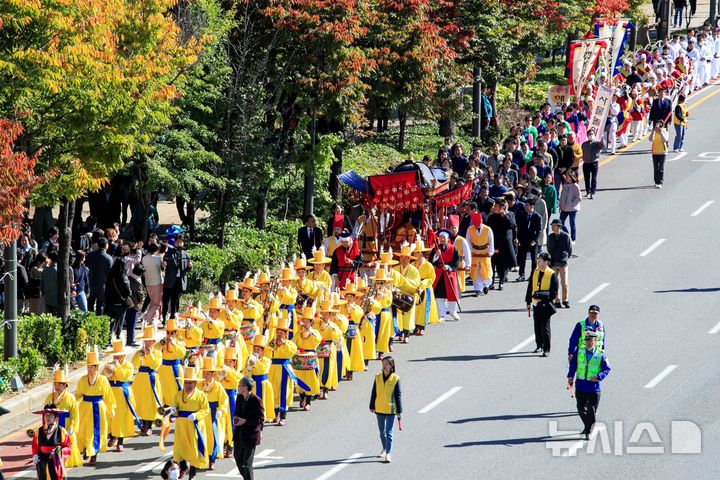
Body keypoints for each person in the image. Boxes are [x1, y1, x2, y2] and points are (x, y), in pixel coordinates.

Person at [567, 331, 611, 439]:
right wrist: (570, 376)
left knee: (591, 410)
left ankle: (589, 431)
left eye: (591, 340)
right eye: (587, 340)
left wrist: (598, 376)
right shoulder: (580, 351)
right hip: (581, 386)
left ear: (595, 341)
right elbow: (573, 365)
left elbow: (607, 369)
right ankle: (587, 426)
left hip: (593, 388)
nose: (588, 343)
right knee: (581, 408)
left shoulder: (600, 354)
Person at [75, 350, 114, 465]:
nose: (90, 370)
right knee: (84, 429)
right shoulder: (82, 380)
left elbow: (108, 396)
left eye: (92, 367)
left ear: (97, 368)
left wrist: (111, 409)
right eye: (88, 367)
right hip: (85, 407)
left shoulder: (103, 380)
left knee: (96, 431)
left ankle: (94, 454)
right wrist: (74, 404)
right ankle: (87, 448)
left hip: (98, 408)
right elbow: (78, 395)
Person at [172, 367, 210, 480]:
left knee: (194, 449)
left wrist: (196, 415)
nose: (188, 385)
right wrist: (174, 410)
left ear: (195, 383)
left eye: (191, 383)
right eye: (186, 382)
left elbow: (206, 410)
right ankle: (183, 467)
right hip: (181, 426)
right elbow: (175, 407)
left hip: (194, 425)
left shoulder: (201, 395)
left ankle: (192, 473)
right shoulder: (178, 394)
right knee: (180, 448)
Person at [43, 367, 82, 468]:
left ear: (65, 385)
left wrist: (72, 428)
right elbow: (45, 413)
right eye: (55, 384)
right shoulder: (49, 397)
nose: (57, 386)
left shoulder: (70, 398)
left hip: (66, 424)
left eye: (60, 384)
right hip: (53, 425)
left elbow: (75, 415)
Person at [106, 340, 141, 453]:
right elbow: (104, 376)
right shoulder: (109, 364)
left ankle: (120, 441)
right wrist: (108, 371)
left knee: (121, 417)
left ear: (123, 355)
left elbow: (123, 377)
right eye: (115, 355)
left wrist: (116, 367)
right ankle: (112, 435)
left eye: (119, 355)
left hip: (122, 392)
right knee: (110, 415)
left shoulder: (129, 365)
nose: (116, 357)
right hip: (111, 392)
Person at [524, 253, 559, 357]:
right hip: (536, 304)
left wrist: (540, 295)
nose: (538, 261)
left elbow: (553, 293)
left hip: (545, 305)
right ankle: (539, 345)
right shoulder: (535, 271)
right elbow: (530, 287)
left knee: (545, 327)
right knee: (537, 326)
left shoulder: (552, 274)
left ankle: (546, 348)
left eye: (539, 260)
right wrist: (528, 301)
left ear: (545, 262)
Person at [369, 356, 402, 464]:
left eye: (386, 364)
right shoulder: (378, 377)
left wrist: (399, 409)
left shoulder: (395, 378)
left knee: (389, 432)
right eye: (383, 363)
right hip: (379, 408)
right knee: (381, 432)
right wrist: (372, 405)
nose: (384, 366)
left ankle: (388, 453)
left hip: (390, 409)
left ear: (391, 366)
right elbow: (374, 392)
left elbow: (398, 395)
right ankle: (384, 448)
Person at [132, 325, 163, 436]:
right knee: (141, 401)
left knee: (150, 402)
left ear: (154, 342)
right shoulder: (140, 352)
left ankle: (148, 425)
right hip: (141, 378)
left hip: (151, 378)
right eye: (146, 341)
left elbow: (155, 365)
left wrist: (149, 355)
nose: (147, 343)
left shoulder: (158, 353)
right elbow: (134, 365)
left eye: (149, 341)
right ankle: (143, 423)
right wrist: (138, 355)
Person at [233, 377, 264, 480]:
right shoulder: (239, 397)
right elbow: (237, 413)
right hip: (239, 434)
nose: (237, 387)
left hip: (250, 436)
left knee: (247, 464)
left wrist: (245, 421)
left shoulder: (256, 400)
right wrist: (236, 418)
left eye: (239, 385)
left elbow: (260, 419)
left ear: (245, 387)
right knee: (238, 459)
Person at [31, 404, 71, 480]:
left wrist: (59, 452)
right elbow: (35, 445)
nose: (48, 417)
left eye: (50, 415)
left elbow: (68, 446)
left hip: (55, 460)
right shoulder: (38, 431)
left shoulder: (61, 431)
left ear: (55, 417)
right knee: (42, 477)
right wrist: (35, 454)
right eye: (46, 415)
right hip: (42, 460)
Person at [430, 230, 460, 322]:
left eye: (444, 238)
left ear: (448, 239)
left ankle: (453, 311)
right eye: (441, 238)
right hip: (439, 274)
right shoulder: (435, 249)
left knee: (453, 294)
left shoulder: (453, 248)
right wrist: (436, 255)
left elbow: (456, 261)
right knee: (440, 296)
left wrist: (449, 267)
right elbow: (431, 261)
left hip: (449, 273)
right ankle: (441, 314)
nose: (442, 239)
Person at [162, 234, 193, 321]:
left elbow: (188, 270)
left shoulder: (186, 255)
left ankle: (173, 316)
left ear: (183, 243)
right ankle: (164, 318)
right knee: (166, 300)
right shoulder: (168, 254)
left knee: (175, 300)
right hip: (169, 280)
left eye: (181, 242)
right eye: (177, 242)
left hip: (179, 280)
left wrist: (190, 266)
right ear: (174, 242)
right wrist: (163, 265)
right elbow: (163, 267)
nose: (179, 244)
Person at [547, 219, 572, 308]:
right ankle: (557, 300)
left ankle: (565, 300)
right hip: (553, 262)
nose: (552, 227)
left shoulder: (565, 236)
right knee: (555, 283)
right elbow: (549, 249)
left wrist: (565, 257)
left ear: (559, 226)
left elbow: (569, 249)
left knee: (564, 283)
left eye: (554, 225)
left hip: (563, 263)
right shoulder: (550, 237)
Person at [105, 257, 131, 341]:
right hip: (121, 303)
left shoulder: (110, 275)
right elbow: (128, 292)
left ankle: (108, 340)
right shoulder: (123, 277)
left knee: (111, 322)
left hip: (110, 302)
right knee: (119, 322)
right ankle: (118, 339)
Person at [515, 198, 541, 282]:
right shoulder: (522, 215)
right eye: (525, 205)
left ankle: (533, 275)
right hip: (523, 240)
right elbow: (518, 228)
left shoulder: (537, 217)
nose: (525, 207)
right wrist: (518, 239)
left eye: (527, 205)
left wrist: (535, 240)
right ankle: (521, 274)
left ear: (532, 206)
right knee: (522, 258)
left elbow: (538, 230)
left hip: (532, 241)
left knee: (534, 259)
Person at [86, 237, 113, 315]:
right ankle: (98, 322)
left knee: (90, 305)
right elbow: (109, 274)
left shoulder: (90, 255)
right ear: (106, 245)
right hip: (103, 285)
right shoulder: (108, 258)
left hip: (91, 283)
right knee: (100, 306)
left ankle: (89, 321)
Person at [142, 242, 165, 326]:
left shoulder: (144, 258)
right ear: (157, 249)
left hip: (148, 282)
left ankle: (152, 318)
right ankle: (146, 318)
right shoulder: (158, 258)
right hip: (157, 283)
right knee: (157, 303)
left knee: (153, 301)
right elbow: (162, 269)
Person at [125, 263, 146, 346]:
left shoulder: (128, 278)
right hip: (135, 305)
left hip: (128, 304)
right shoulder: (137, 281)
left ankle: (129, 339)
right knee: (133, 323)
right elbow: (141, 295)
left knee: (128, 323)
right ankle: (131, 340)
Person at [559, 171, 581, 243]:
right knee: (560, 222)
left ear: (572, 177)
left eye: (568, 176)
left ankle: (573, 239)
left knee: (572, 223)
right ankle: (567, 234)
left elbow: (578, 198)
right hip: (564, 208)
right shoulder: (565, 185)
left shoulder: (575, 186)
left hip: (572, 208)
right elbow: (562, 197)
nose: (566, 178)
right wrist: (560, 205)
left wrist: (572, 204)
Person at [649, 121, 669, 189]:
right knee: (655, 168)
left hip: (662, 152)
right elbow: (650, 139)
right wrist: (653, 131)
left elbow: (665, 140)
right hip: (654, 152)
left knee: (661, 168)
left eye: (659, 125)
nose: (658, 127)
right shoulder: (654, 132)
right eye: (657, 125)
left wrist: (661, 132)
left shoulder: (665, 131)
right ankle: (656, 182)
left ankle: (660, 182)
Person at [40, 251, 59, 316]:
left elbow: (41, 286)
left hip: (47, 298)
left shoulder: (45, 270)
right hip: (57, 299)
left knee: (49, 318)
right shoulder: (58, 270)